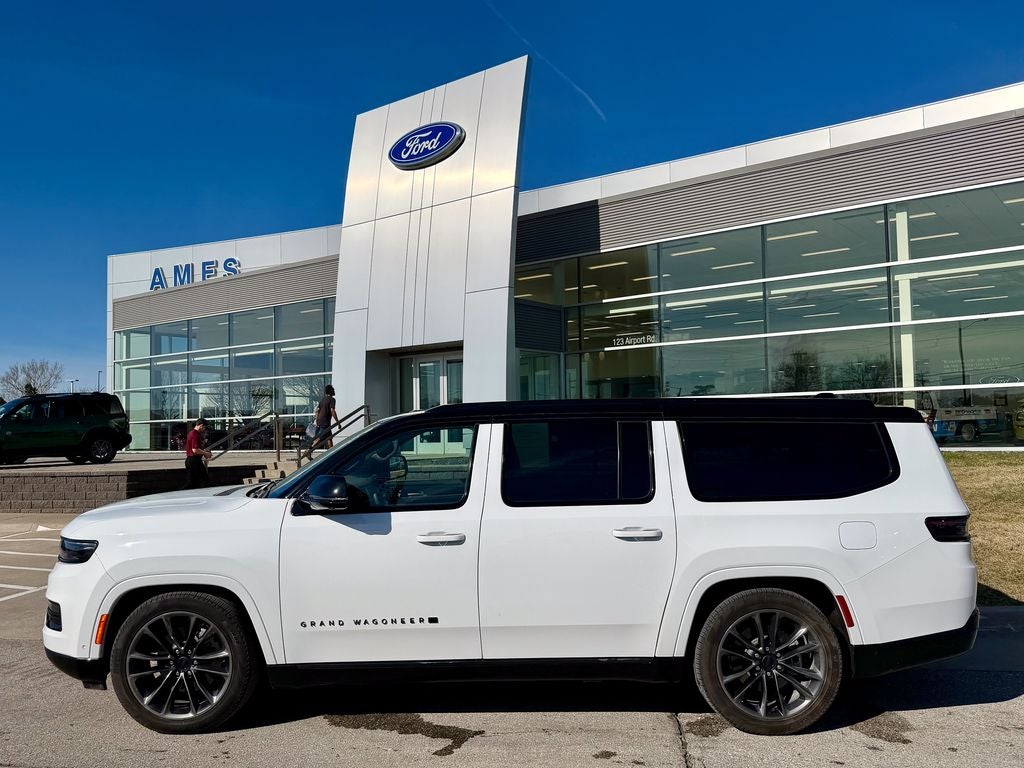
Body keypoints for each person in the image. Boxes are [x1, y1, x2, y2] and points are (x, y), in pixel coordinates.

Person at [308, 384, 338, 456]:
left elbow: (317, 410)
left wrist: (317, 420)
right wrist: (337, 422)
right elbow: (332, 410)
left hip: (320, 421)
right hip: (325, 422)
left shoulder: (322, 400)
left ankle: (332, 453)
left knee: (329, 438)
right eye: (333, 390)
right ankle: (309, 450)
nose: (334, 391)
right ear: (331, 391)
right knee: (320, 438)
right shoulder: (332, 399)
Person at [183, 418, 213, 489]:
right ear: (201, 425)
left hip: (193, 460)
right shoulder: (194, 435)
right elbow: (195, 450)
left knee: (196, 481)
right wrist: (205, 453)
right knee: (198, 481)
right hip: (194, 461)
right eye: (204, 427)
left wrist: (203, 451)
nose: (204, 430)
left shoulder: (192, 433)